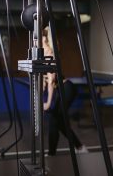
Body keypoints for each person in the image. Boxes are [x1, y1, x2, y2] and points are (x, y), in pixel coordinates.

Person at [42, 27, 88, 155]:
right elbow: (47, 80)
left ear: (44, 40)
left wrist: (48, 103)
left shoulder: (49, 54)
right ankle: (79, 147)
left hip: (66, 88)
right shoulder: (43, 55)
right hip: (61, 89)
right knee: (59, 122)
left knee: (54, 119)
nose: (35, 42)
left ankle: (53, 153)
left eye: (37, 40)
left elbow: (52, 81)